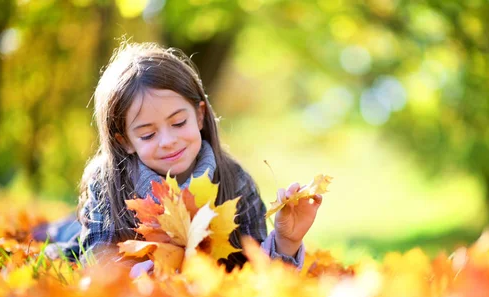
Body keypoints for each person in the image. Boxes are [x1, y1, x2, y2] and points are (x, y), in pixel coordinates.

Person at [43, 42, 323, 275]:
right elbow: (98, 262)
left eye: (178, 123)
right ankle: (58, 229)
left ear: (200, 115)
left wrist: (287, 241)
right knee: (66, 237)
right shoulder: (109, 182)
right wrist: (143, 276)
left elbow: (262, 276)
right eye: (148, 134)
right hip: (90, 246)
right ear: (125, 141)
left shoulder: (235, 181)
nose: (168, 141)